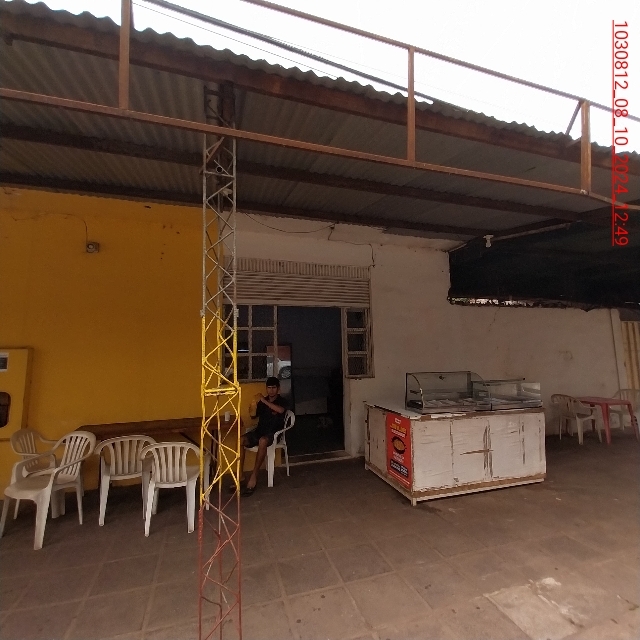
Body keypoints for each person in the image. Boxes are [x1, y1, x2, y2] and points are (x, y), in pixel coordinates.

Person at [238, 377, 287, 496]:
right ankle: (240, 476)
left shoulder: (282, 401)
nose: (271, 390)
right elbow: (253, 416)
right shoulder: (262, 402)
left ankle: (254, 476)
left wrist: (264, 401)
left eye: (274, 388)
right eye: (269, 388)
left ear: (278, 389)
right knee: (241, 440)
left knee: (263, 441)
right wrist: (253, 406)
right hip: (260, 431)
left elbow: (281, 410)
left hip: (273, 434)